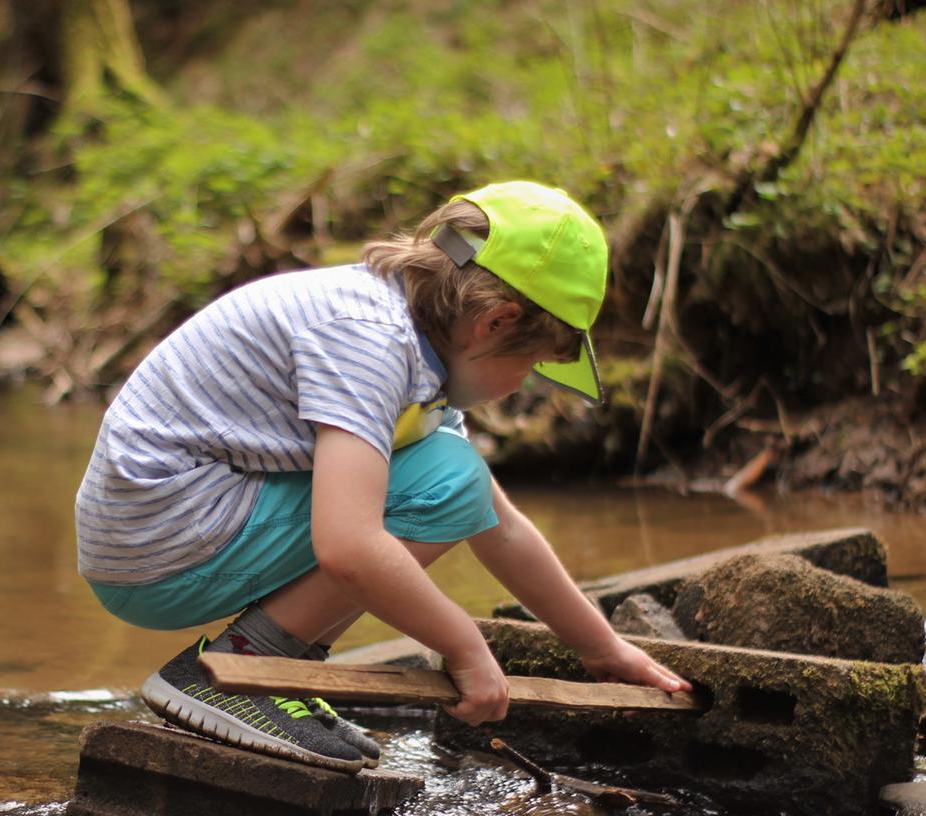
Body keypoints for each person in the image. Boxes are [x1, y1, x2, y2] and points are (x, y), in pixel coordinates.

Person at [75, 180, 691, 773]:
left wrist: (602, 649)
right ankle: (244, 665)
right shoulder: (369, 338)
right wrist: (464, 647)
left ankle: (282, 665)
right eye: (531, 362)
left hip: (165, 537)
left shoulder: (414, 336)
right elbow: (350, 547)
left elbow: (499, 528)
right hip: (160, 540)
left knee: (454, 477)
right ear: (496, 323)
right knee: (448, 479)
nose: (524, 382)